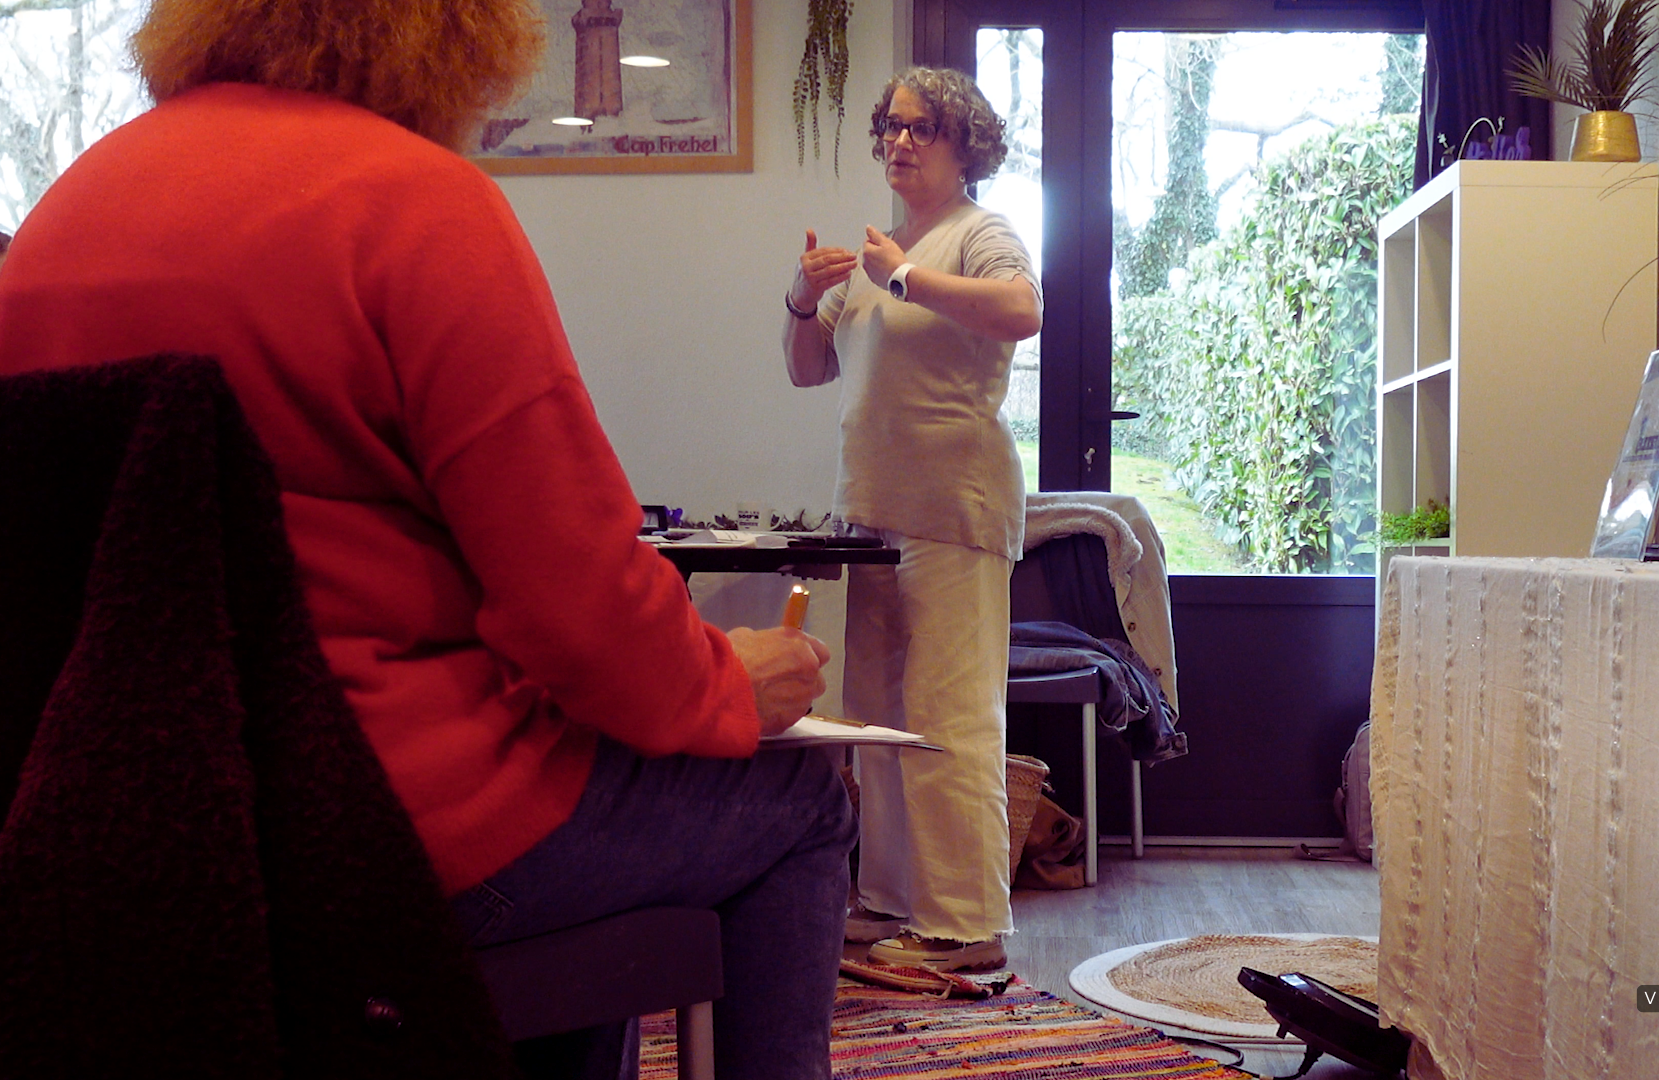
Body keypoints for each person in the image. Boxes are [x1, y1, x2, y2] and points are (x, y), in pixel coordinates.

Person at [0, 1, 854, 1076]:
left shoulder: (63, 216)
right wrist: (730, 685)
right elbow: (577, 612)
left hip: (133, 827)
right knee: (799, 800)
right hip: (398, 824)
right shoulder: (414, 203)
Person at [782, 67, 1042, 973]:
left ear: (962, 141)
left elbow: (1023, 311)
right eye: (890, 127)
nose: (899, 142)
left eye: (921, 128)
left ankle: (966, 929)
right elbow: (807, 371)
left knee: (949, 718)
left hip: (953, 511)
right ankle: (892, 901)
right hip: (871, 515)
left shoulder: (978, 234)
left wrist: (906, 279)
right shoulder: (879, 248)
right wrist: (800, 300)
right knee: (878, 719)